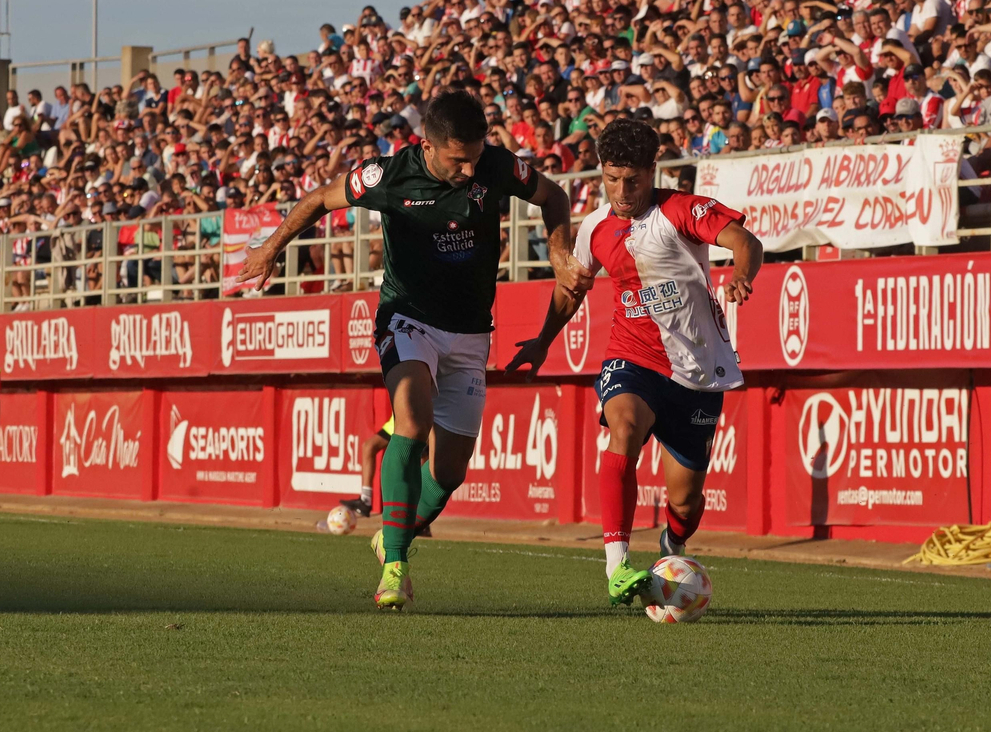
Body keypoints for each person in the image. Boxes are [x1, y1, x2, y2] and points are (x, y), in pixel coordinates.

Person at [235, 90, 591, 611]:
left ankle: (396, 532)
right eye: (457, 159)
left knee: (449, 473)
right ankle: (396, 567)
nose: (469, 169)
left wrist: (559, 255)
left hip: (471, 332)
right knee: (412, 422)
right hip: (408, 318)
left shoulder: (496, 166)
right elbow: (317, 199)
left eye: (474, 155)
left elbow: (554, 197)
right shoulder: (387, 176)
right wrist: (271, 246)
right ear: (428, 145)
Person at [504, 118, 762, 607]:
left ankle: (673, 546)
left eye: (633, 180)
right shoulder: (596, 228)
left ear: (652, 171)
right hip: (632, 355)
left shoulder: (684, 210)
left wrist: (742, 275)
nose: (622, 191)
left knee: (685, 500)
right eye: (612, 178)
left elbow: (746, 243)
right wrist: (542, 341)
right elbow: (571, 288)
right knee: (622, 429)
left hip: (696, 370)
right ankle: (617, 564)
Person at [337, 417, 394, 518]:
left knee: (421, 462)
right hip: (398, 421)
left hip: (415, 421)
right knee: (369, 447)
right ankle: (365, 501)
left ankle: (422, 517)